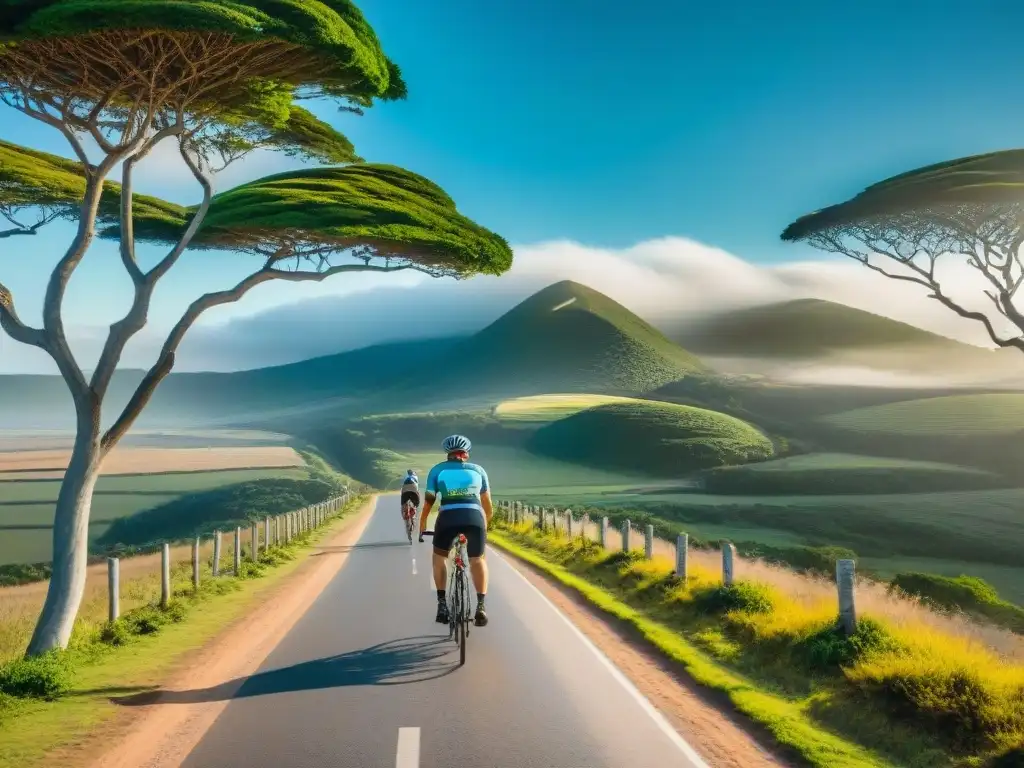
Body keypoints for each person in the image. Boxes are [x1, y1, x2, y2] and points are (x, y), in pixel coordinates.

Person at [418, 434, 492, 627]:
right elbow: (487, 504)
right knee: (478, 559)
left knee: (439, 558)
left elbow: (429, 501)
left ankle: (442, 604)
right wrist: (486, 525)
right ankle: (481, 606)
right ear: (465, 454)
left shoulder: (437, 470)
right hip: (475, 518)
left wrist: (422, 522)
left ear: (447, 453)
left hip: (448, 518)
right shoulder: (478, 470)